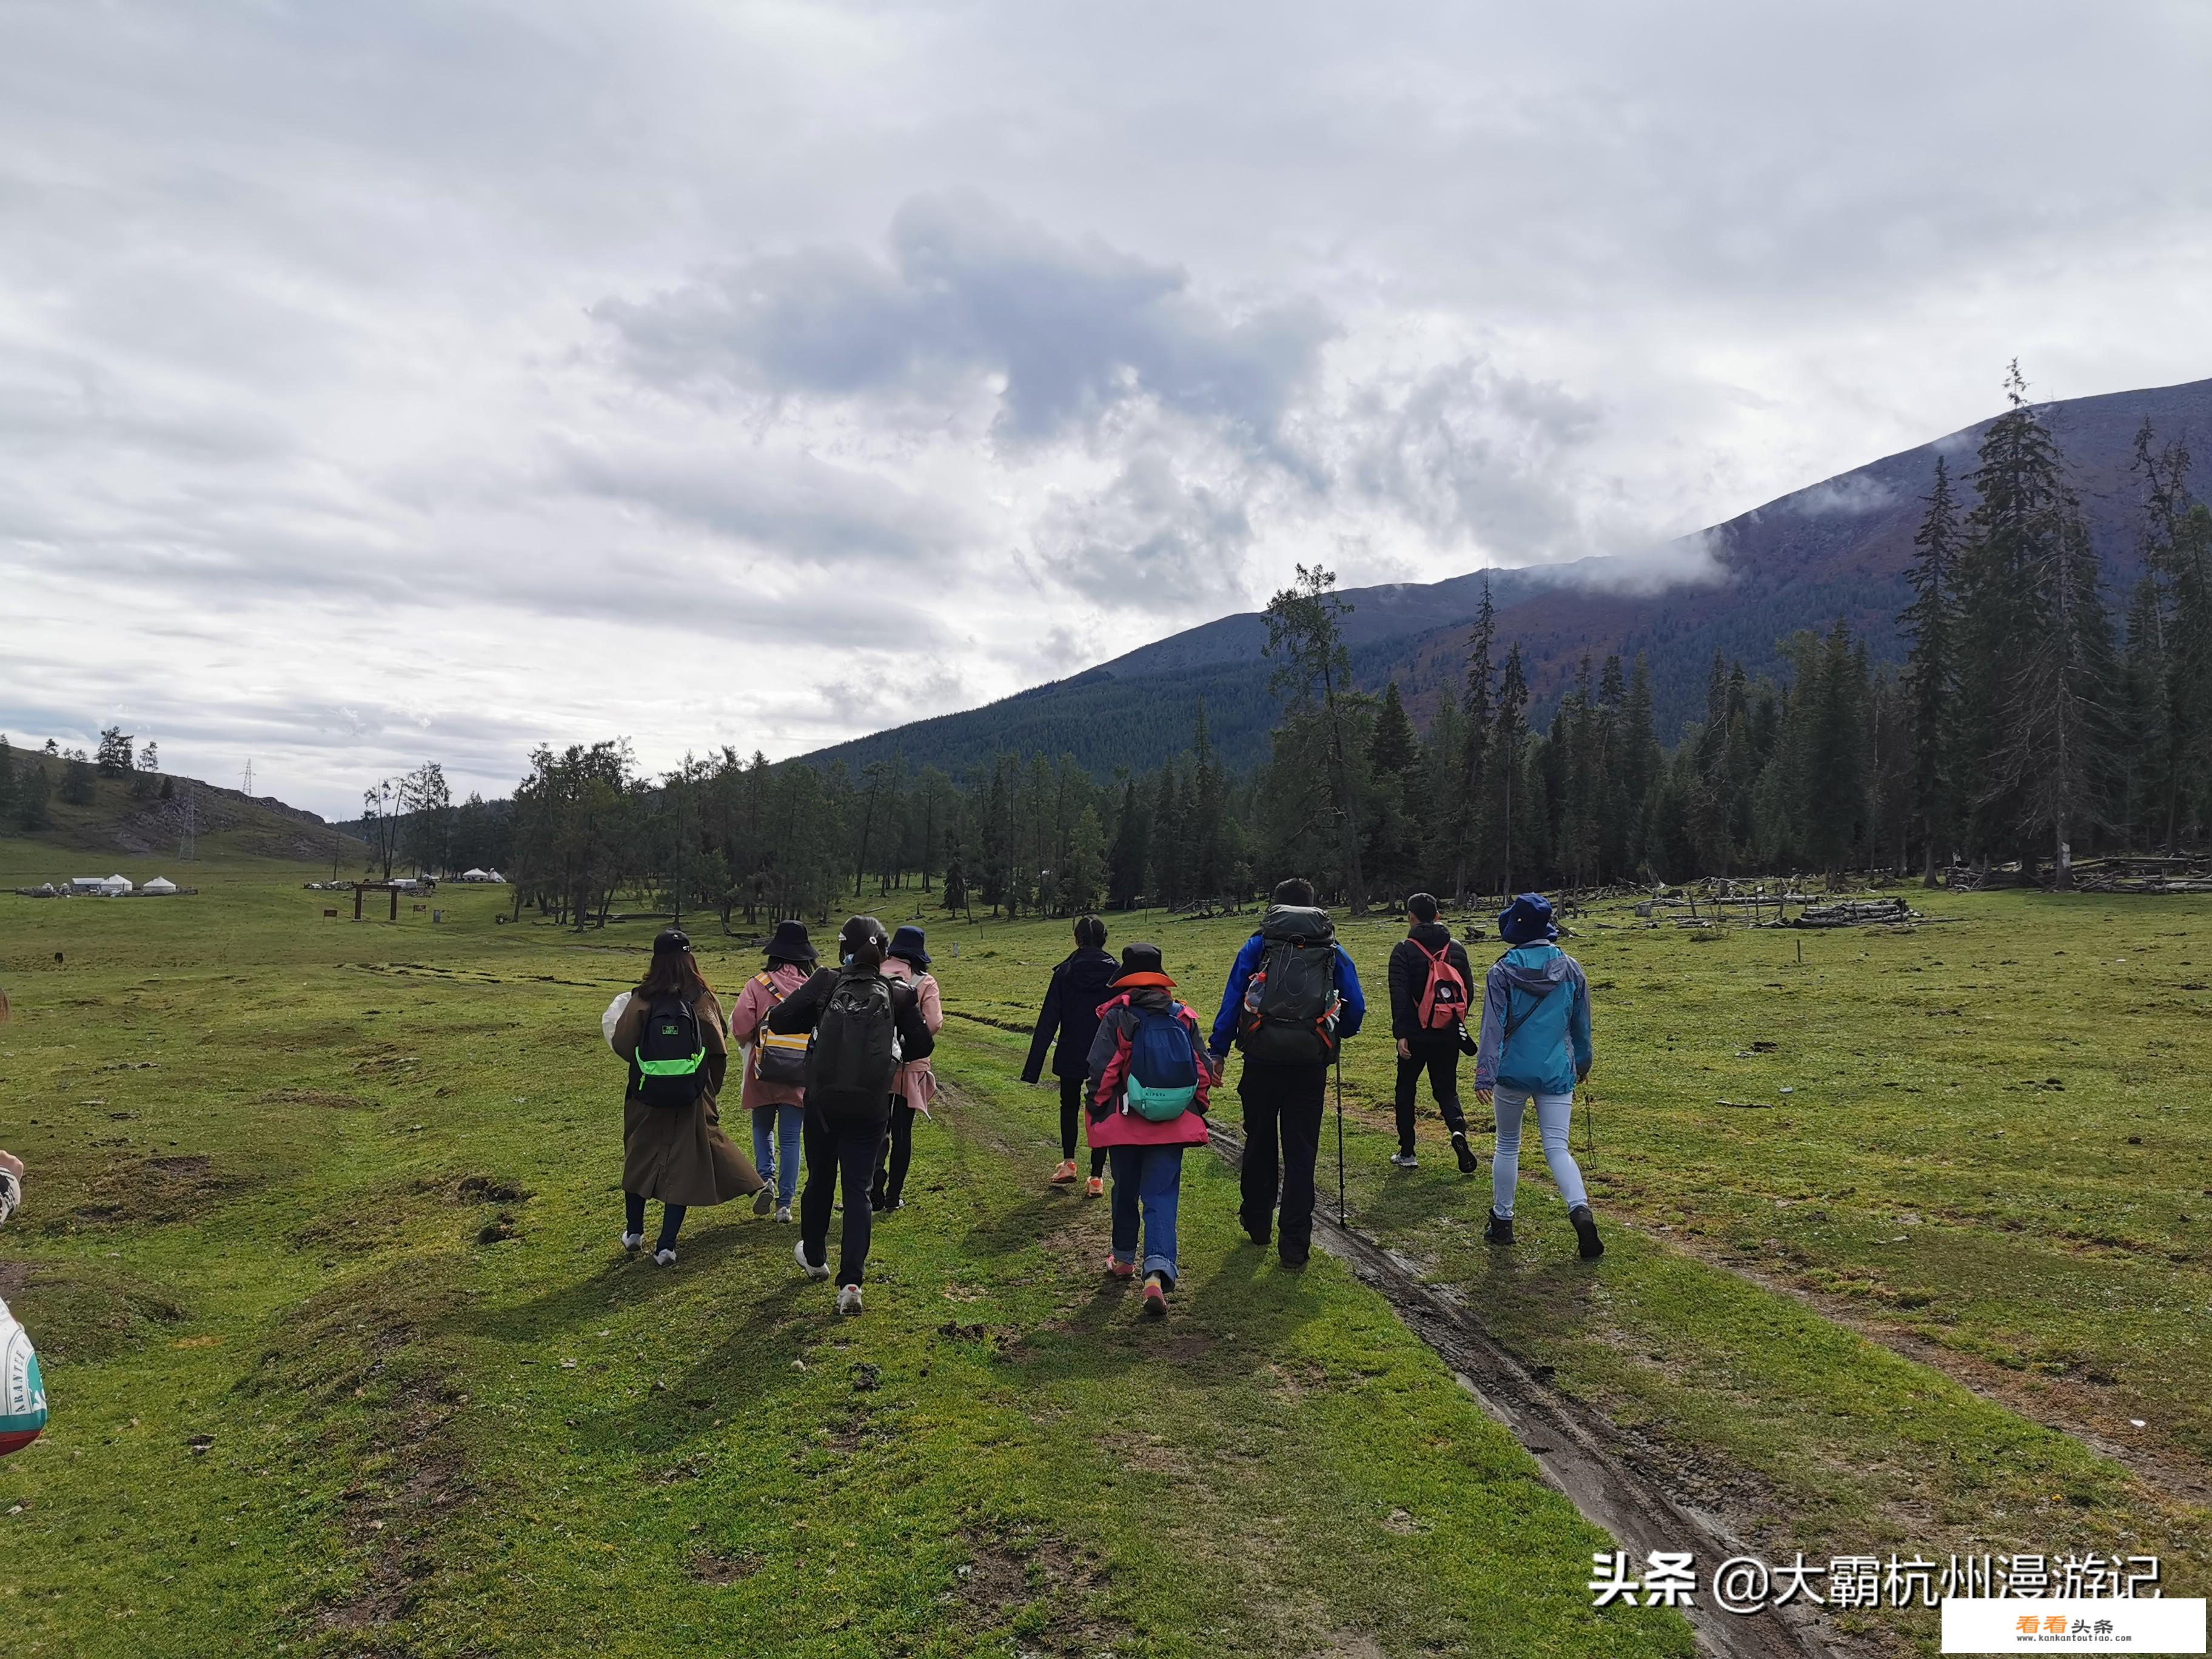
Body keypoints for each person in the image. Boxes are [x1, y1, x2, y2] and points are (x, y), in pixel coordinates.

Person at [768, 915, 937, 1314]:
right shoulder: (897, 993)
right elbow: (921, 1045)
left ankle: (814, 1255)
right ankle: (851, 1286)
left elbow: (780, 1020)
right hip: (871, 1106)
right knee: (858, 1191)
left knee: (820, 1182)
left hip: (823, 1103)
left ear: (844, 949)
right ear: (882, 951)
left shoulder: (826, 982)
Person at [1207, 877, 1366, 1269]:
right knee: (1301, 1153)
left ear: (1276, 908)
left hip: (1261, 1059)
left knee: (1259, 1142)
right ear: (1313, 907)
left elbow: (1233, 1000)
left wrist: (1218, 1049)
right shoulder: (1331, 949)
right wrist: (1335, 1032)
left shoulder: (1259, 945)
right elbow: (1356, 1009)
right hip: (1309, 1063)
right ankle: (1294, 1246)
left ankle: (1258, 1221)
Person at [611, 930, 767, 1265]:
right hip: (691, 1095)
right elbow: (718, 1050)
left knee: (639, 1156)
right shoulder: (702, 998)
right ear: (689, 958)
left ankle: (634, 1232)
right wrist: (708, 1090)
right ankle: (666, 1246)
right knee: (682, 1165)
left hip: (646, 1093)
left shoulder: (642, 998)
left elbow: (623, 1045)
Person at [1084, 943, 1216, 1315]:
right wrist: (1196, 1105)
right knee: (1161, 1197)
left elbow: (1103, 1068)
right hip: (1171, 1125)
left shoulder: (1119, 1017)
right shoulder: (1183, 1016)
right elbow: (1202, 1070)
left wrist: (1096, 1103)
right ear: (1160, 981)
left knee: (1125, 1189)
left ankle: (1124, 1259)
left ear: (1127, 979)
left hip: (1126, 1125)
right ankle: (1156, 1273)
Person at [1472, 893, 1603, 1260]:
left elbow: (1492, 1029)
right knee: (1557, 1148)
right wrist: (1583, 1065)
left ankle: (1502, 1221)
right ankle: (1580, 1210)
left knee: (1507, 1144)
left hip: (1512, 1072)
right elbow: (1582, 1025)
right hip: (1557, 1070)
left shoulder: (1500, 972)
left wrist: (1485, 1074)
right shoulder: (1572, 969)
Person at [726, 920, 816, 1223]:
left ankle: (766, 1180)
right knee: (791, 1138)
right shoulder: (813, 985)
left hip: (762, 1069)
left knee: (761, 1128)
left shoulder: (757, 984)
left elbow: (740, 1027)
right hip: (799, 1071)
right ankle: (785, 1205)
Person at [1020, 914, 1117, 1195]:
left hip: (1071, 1047)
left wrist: (1033, 1068)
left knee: (1068, 1105)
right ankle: (1097, 1178)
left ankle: (1069, 1163)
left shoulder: (1064, 972)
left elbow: (1049, 1018)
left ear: (1077, 939)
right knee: (1101, 1109)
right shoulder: (1116, 973)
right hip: (1106, 1052)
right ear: (1104, 939)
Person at [1386, 893, 1480, 1175]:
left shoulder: (1403, 949)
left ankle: (1408, 1151)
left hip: (1415, 1035)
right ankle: (1457, 1130)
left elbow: (1399, 996)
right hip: (1448, 1032)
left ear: (1410, 917)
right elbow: (1469, 991)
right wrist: (1452, 1019)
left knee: (1406, 1089)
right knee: (1446, 1088)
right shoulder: (1457, 949)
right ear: (1438, 916)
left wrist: (1402, 1032)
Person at [871, 925, 943, 1213]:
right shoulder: (925, 981)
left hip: (875, 1064)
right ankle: (893, 1197)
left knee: (876, 1128)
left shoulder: (875, 972)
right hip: (910, 1066)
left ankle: (873, 1191)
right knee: (902, 1131)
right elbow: (935, 1023)